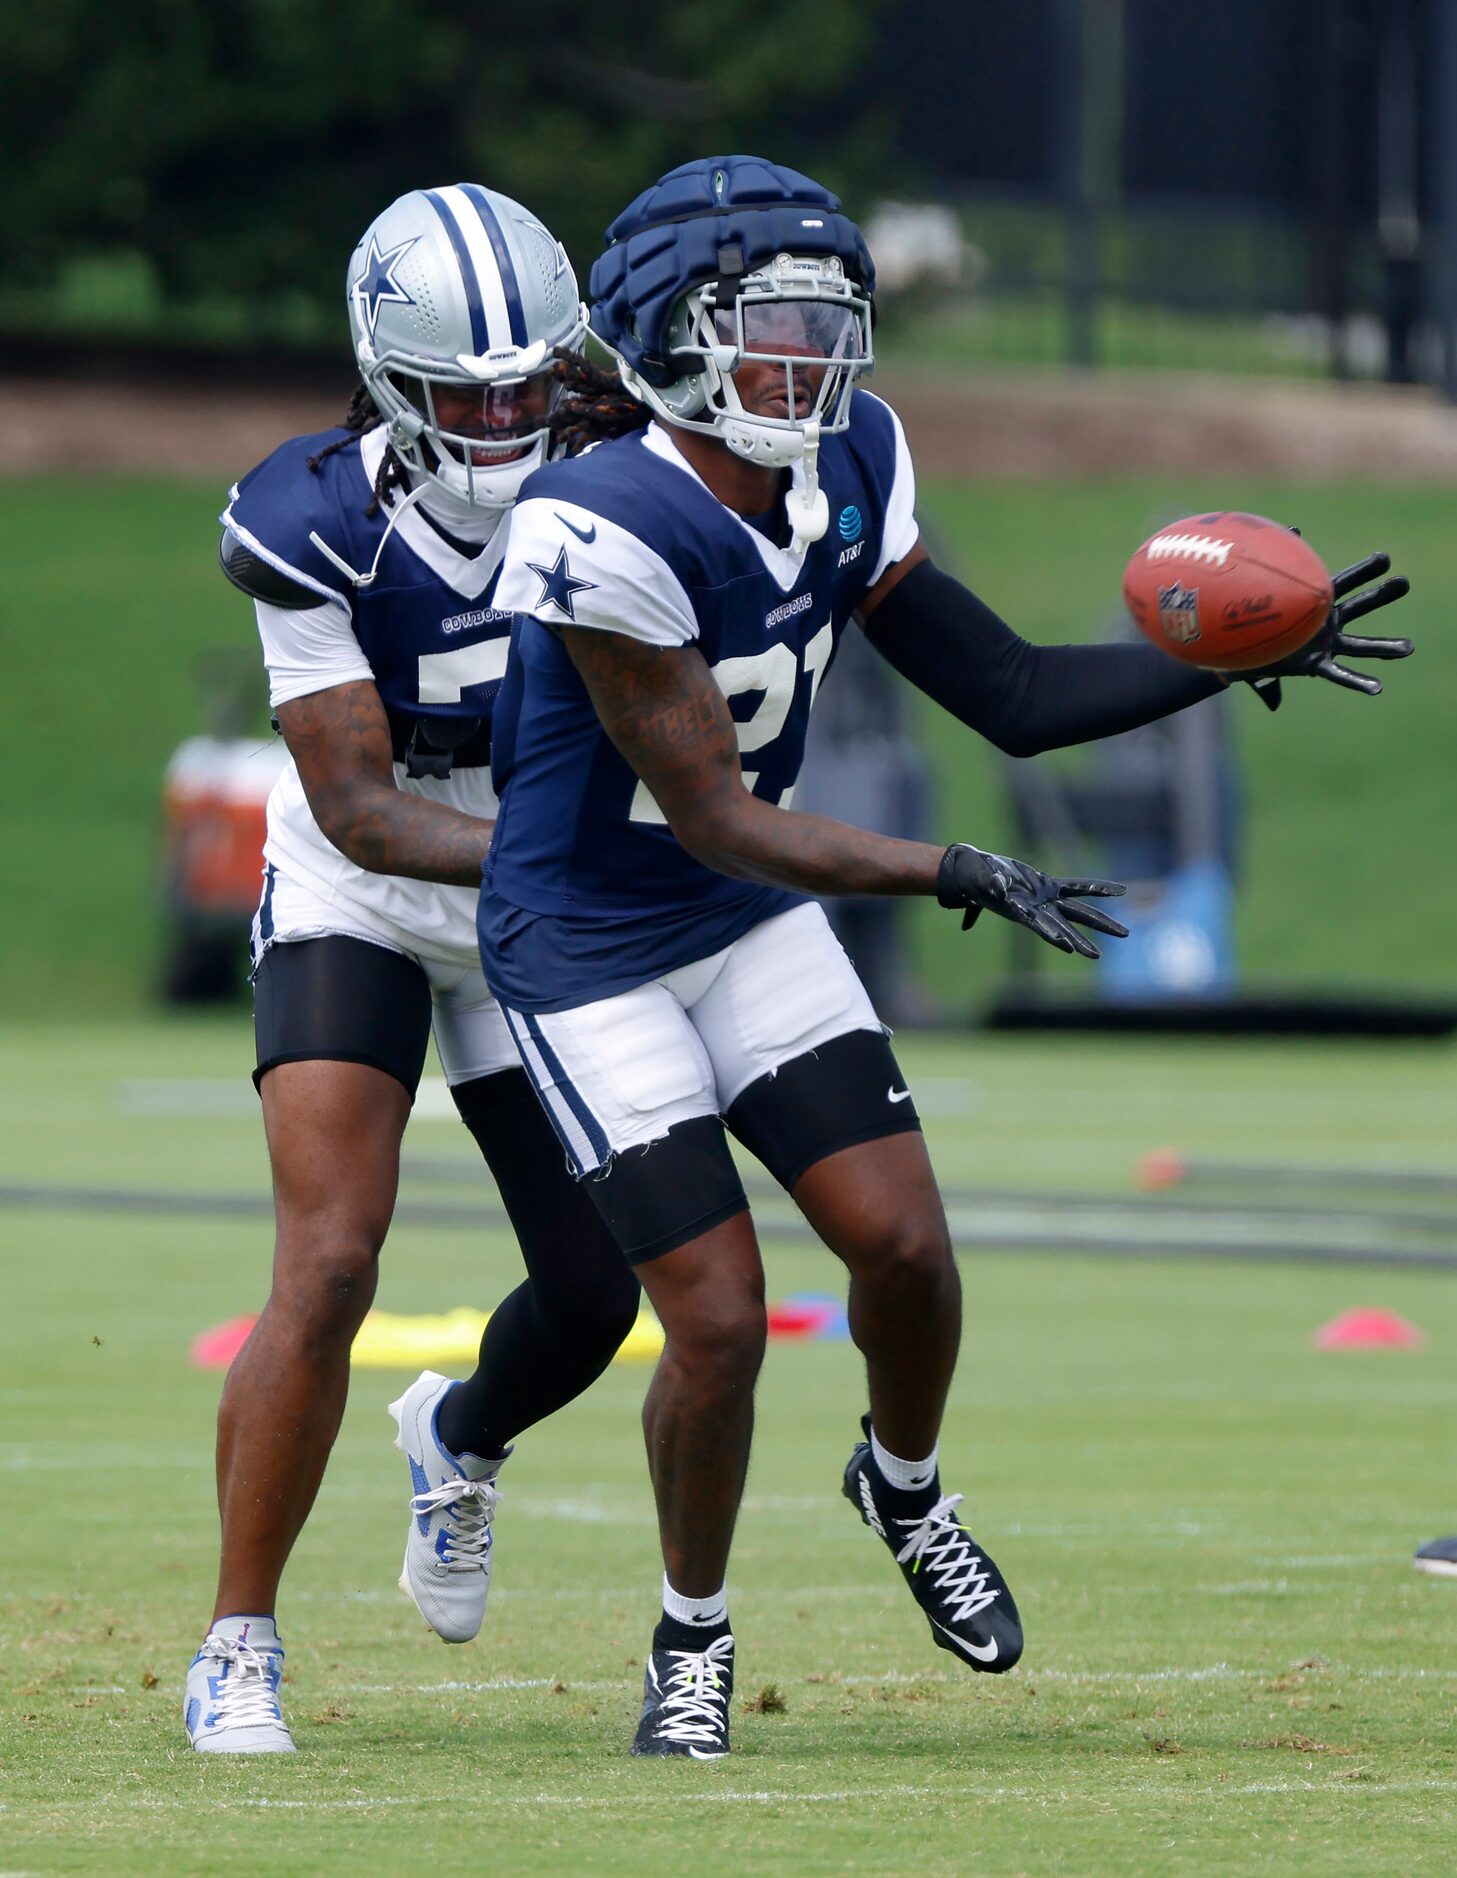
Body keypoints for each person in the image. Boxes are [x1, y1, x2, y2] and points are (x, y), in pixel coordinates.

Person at [470, 153, 1415, 1759]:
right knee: (711, 1317)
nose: (812, 362)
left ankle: (900, 1489)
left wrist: (1234, 653)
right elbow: (713, 815)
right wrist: (954, 870)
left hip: (738, 923)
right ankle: (689, 1637)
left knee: (903, 1252)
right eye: (772, 327)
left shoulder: (849, 455)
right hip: (592, 942)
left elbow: (1018, 689)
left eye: (828, 326)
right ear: (668, 334)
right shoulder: (597, 517)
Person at [183, 185, 642, 1755]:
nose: (510, 418)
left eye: (531, 384)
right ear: (389, 380)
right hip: (371, 893)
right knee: (329, 1258)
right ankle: (237, 1640)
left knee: (596, 1289)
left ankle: (454, 1435)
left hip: (541, 905)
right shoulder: (310, 517)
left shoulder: (626, 470)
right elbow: (364, 813)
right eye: (472, 393)